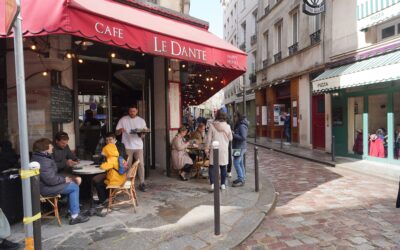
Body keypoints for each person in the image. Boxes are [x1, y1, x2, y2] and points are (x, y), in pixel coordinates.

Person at [31, 138, 89, 225]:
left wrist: (65, 171)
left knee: (72, 183)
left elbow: (50, 174)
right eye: (50, 146)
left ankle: (71, 211)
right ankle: (75, 216)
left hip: (42, 186)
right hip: (45, 188)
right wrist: (64, 180)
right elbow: (50, 180)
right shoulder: (44, 161)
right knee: (74, 187)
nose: (52, 147)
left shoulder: (40, 157)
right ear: (45, 148)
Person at [116, 104, 147, 192]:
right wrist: (120, 131)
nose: (132, 113)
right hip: (127, 145)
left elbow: (143, 134)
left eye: (134, 111)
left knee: (140, 164)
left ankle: (142, 183)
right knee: (127, 165)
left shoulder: (141, 121)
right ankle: (127, 183)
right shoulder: (123, 119)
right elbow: (117, 133)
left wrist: (142, 134)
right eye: (130, 111)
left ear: (137, 111)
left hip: (138, 146)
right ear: (128, 111)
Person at [93, 132, 127, 205]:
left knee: (98, 182)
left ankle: (104, 200)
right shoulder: (108, 147)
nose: (108, 142)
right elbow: (102, 156)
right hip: (114, 173)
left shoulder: (120, 146)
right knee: (96, 179)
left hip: (115, 175)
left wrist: (105, 163)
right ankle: (107, 197)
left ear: (115, 139)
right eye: (107, 140)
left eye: (110, 139)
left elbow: (119, 158)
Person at [205, 110, 232, 191]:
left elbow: (208, 138)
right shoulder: (227, 126)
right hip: (224, 149)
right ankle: (223, 184)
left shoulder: (212, 125)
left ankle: (212, 184)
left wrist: (206, 148)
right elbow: (231, 138)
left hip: (214, 148)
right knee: (223, 166)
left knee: (212, 166)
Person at [232, 112, 248, 187]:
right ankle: (242, 178)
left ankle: (241, 179)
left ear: (238, 117)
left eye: (235, 117)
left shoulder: (241, 126)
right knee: (240, 163)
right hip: (237, 147)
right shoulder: (238, 125)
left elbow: (243, 137)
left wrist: (233, 134)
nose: (234, 118)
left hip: (240, 147)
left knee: (236, 162)